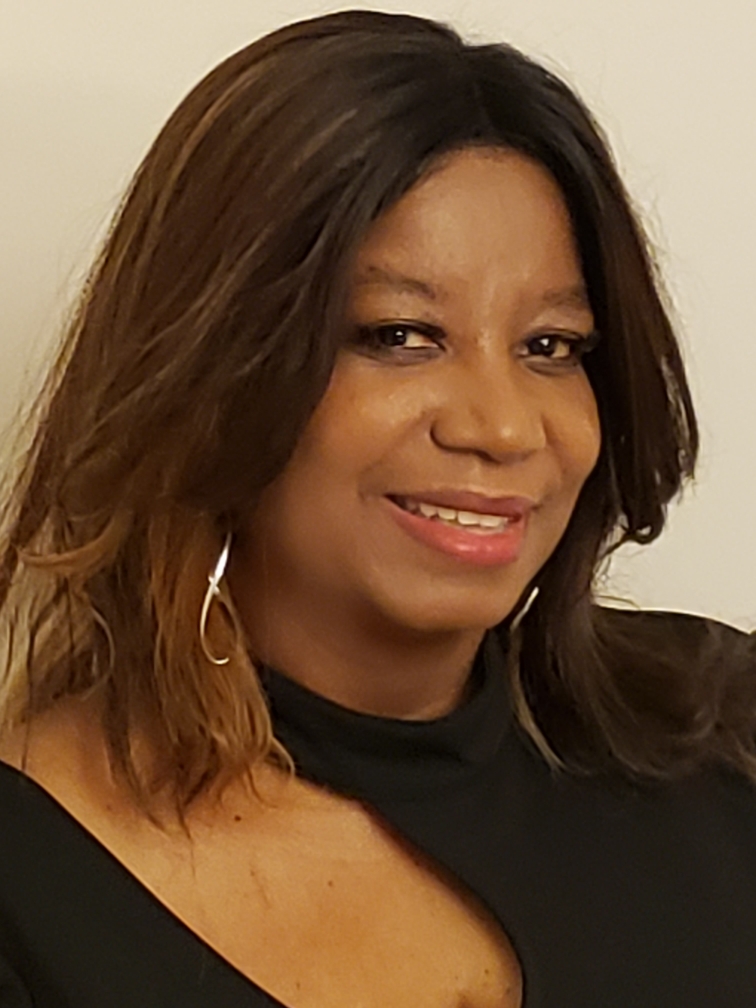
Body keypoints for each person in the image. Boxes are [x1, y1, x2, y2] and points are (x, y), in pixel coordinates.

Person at [0, 9, 754, 1007]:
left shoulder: (721, 726)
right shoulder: (31, 879)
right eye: (399, 335)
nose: (503, 426)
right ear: (213, 372)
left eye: (551, 346)